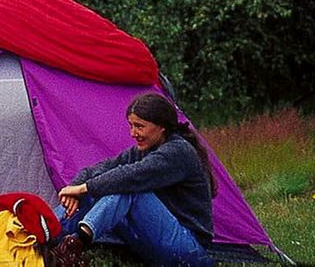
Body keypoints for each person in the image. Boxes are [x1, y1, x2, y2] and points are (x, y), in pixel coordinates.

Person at [51, 92, 215, 267]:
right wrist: (75, 189)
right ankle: (43, 235)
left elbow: (132, 176)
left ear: (162, 126)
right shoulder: (143, 150)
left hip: (189, 251)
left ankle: (75, 244)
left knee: (128, 189)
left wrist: (84, 187)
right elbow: (98, 169)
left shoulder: (178, 151)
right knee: (97, 188)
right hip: (153, 245)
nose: (133, 133)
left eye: (139, 126)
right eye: (131, 126)